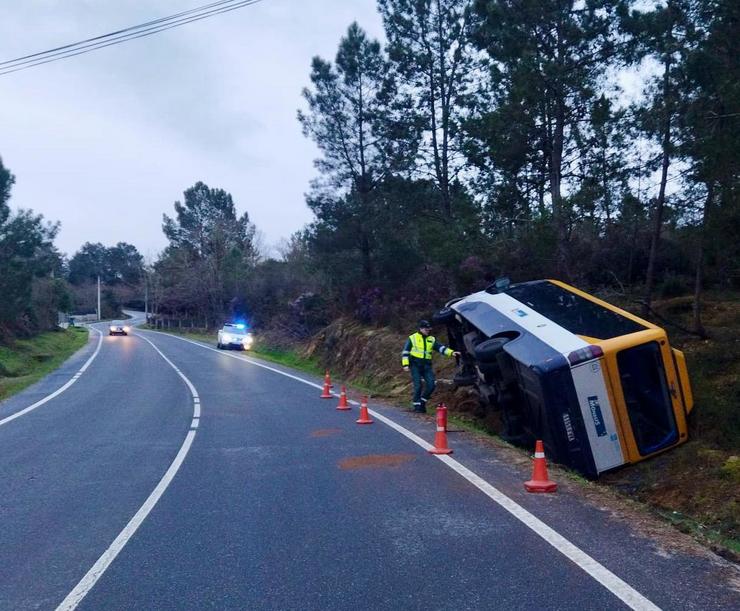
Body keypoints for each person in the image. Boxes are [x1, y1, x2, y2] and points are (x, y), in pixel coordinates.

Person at [401, 320, 460, 413]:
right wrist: (405, 364)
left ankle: (422, 401)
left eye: (429, 329)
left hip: (426, 366)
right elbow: (405, 352)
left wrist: (452, 352)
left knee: (431, 384)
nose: (428, 330)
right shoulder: (412, 338)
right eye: (426, 329)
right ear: (420, 329)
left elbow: (440, 348)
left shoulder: (431, 339)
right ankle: (417, 406)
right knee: (418, 385)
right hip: (415, 364)